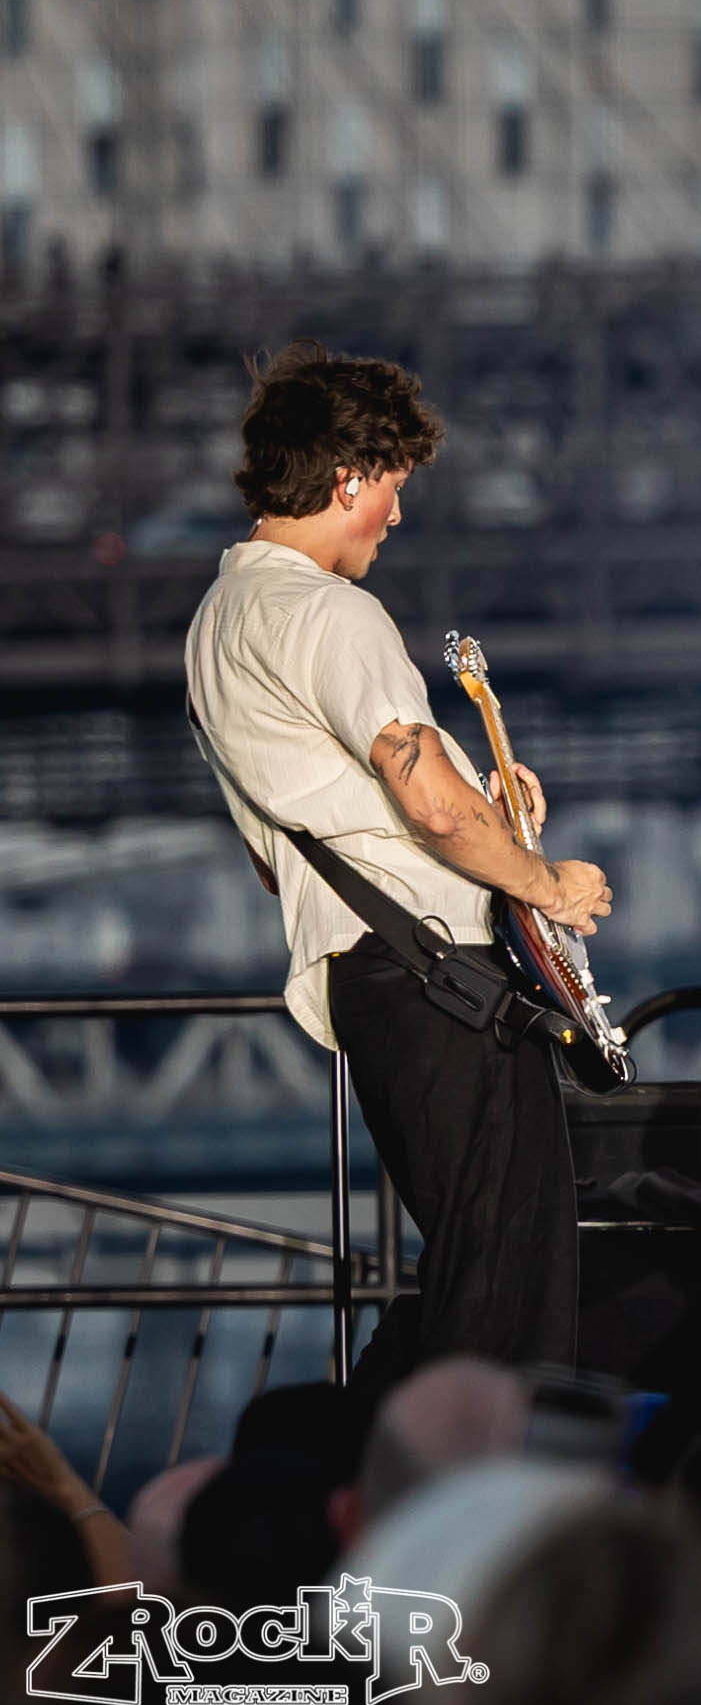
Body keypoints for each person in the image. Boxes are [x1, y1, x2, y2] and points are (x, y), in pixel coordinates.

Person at [186, 339, 612, 1398]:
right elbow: (424, 798)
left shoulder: (217, 625)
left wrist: (487, 816)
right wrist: (544, 880)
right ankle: (474, 1486)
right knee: (510, 1282)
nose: (397, 514)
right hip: (441, 981)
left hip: (370, 977)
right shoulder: (328, 609)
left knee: (465, 1271)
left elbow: (280, 857)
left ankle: (361, 1465)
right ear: (348, 479)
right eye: (393, 485)